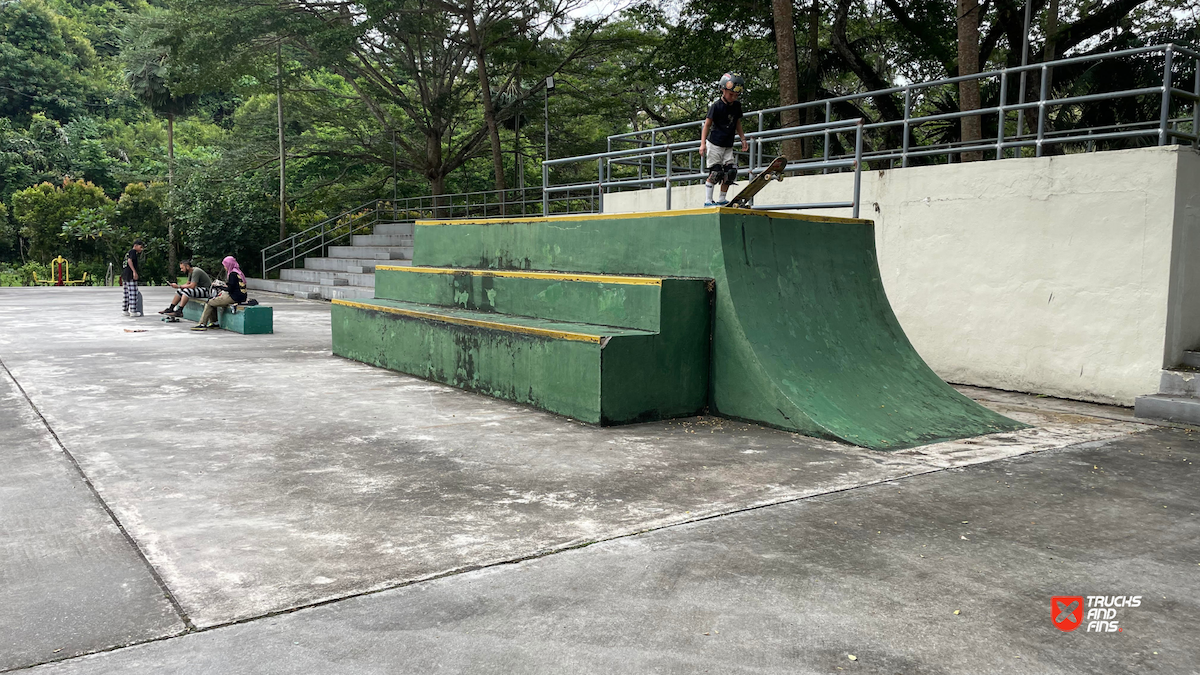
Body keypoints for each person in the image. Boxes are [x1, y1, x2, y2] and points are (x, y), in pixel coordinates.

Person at [698, 73, 749, 207]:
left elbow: (737, 123)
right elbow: (707, 125)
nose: (733, 98)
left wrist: (743, 139)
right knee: (716, 173)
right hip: (714, 144)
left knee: (730, 172)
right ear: (723, 90)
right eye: (731, 94)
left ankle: (722, 199)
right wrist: (702, 144)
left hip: (728, 144)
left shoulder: (736, 106)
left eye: (736, 95)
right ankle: (708, 201)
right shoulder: (716, 106)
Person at [192, 256, 248, 331]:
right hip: (241, 296)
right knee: (213, 301)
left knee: (209, 302)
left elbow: (229, 289)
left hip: (234, 297)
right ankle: (214, 323)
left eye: (225, 265)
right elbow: (233, 286)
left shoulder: (232, 274)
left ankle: (202, 324)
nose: (224, 267)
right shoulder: (238, 272)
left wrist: (219, 286)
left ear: (229, 265)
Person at [121, 239, 145, 317]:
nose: (141, 249)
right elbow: (129, 261)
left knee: (126, 293)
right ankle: (133, 311)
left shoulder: (128, 252)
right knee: (133, 293)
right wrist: (134, 271)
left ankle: (125, 310)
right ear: (135, 246)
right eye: (140, 247)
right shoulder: (133, 252)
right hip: (130, 274)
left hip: (125, 274)